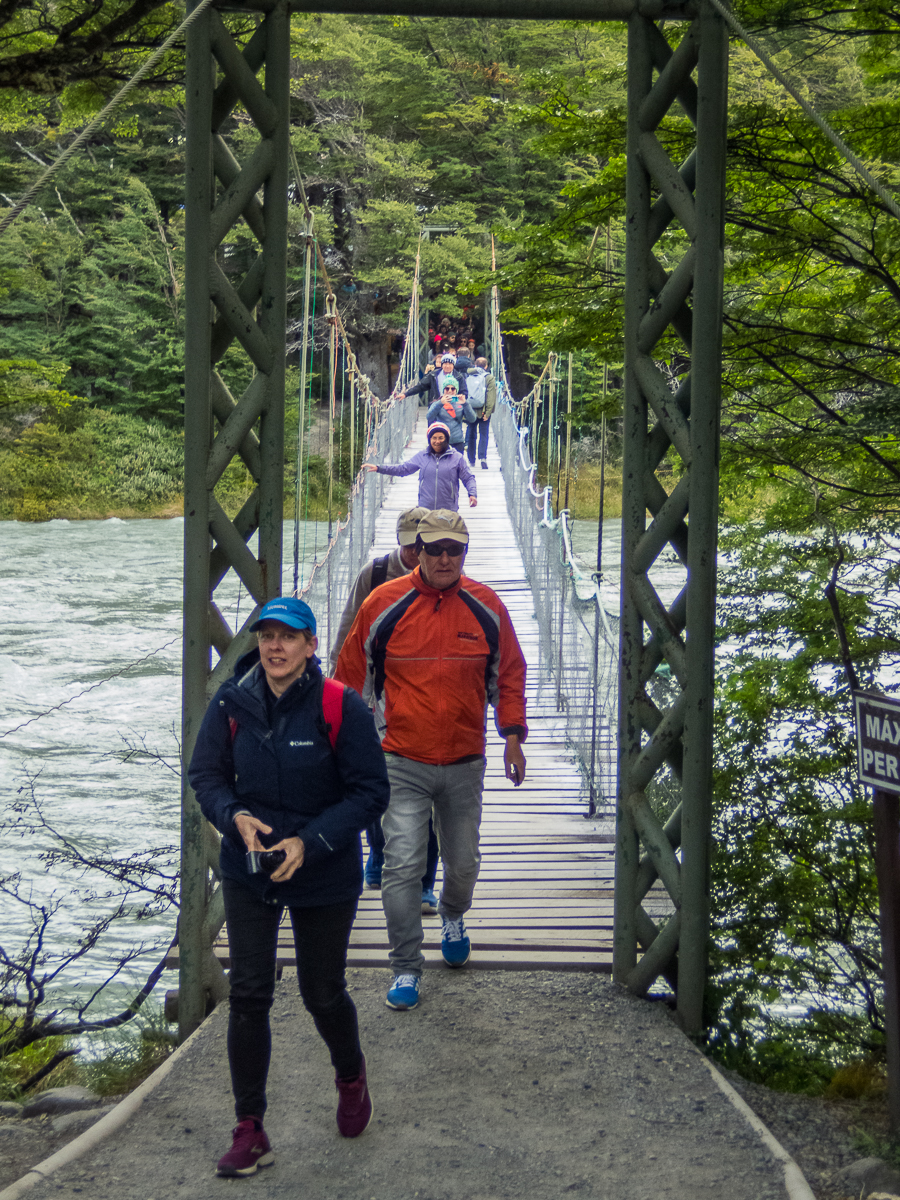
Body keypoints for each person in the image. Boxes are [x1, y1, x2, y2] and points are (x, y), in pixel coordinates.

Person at [189, 596, 390, 1177]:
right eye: (267, 635)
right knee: (249, 993)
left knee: (320, 991)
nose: (275, 646)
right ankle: (249, 1128)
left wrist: (311, 841)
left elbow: (369, 792)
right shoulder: (231, 702)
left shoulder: (339, 706)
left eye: (289, 636)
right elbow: (205, 774)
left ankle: (350, 1076)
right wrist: (233, 817)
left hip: (323, 871)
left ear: (310, 646)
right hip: (249, 869)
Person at [335, 510, 528, 1013]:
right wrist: (342, 744)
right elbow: (350, 672)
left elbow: (509, 671)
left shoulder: (486, 606)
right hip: (400, 757)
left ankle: (452, 914)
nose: (444, 558)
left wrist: (512, 734)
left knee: (463, 862)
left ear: (465, 553)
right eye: (434, 548)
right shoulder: (383, 603)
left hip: (466, 759)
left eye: (454, 550)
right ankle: (405, 967)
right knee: (400, 864)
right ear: (416, 551)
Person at [329, 507, 441, 913]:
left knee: (422, 792)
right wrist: (339, 690)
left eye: (423, 546)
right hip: (375, 699)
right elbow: (349, 628)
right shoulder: (374, 575)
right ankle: (377, 852)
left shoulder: (442, 576)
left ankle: (423, 881)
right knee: (375, 782)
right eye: (413, 546)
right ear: (401, 542)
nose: (418, 554)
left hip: (425, 703)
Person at [363, 421, 477, 511]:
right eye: (434, 438)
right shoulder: (422, 456)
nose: (437, 441)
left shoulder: (457, 458)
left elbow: (468, 478)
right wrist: (379, 468)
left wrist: (472, 494)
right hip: (425, 509)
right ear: (429, 439)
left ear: (447, 439)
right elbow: (403, 469)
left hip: (449, 510)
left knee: (446, 540)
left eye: (441, 438)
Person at [464, 357, 498, 470]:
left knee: (471, 434)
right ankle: (483, 458)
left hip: (470, 410)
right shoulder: (489, 377)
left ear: (475, 365)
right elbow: (491, 396)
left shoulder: (467, 376)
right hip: (483, 410)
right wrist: (488, 412)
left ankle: (471, 459)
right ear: (486, 366)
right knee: (484, 434)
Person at [425, 378, 475, 452]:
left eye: (453, 388)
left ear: (456, 390)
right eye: (447, 388)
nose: (450, 391)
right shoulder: (438, 403)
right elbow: (429, 417)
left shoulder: (461, 403)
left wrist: (465, 404)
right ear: (443, 390)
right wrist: (440, 404)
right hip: (441, 441)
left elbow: (472, 419)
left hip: (457, 441)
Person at [400, 353, 467, 405]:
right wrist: (406, 394)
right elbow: (421, 386)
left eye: (450, 364)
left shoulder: (459, 377)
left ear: (453, 365)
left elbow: (464, 393)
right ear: (442, 364)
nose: (447, 366)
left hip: (453, 407)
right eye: (445, 363)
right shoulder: (434, 375)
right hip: (436, 406)